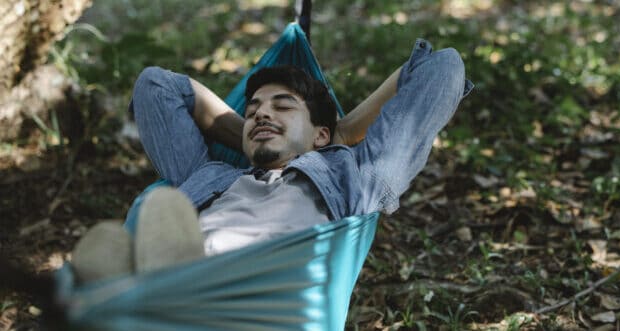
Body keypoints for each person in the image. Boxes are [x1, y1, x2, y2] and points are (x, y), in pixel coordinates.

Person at [71, 39, 473, 283]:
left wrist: (342, 134)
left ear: (320, 135)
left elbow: (443, 67)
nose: (262, 114)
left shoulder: (355, 177)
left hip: (264, 294)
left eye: (282, 107)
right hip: (180, 282)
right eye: (253, 111)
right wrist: (255, 136)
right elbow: (156, 87)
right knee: (135, 233)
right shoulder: (209, 177)